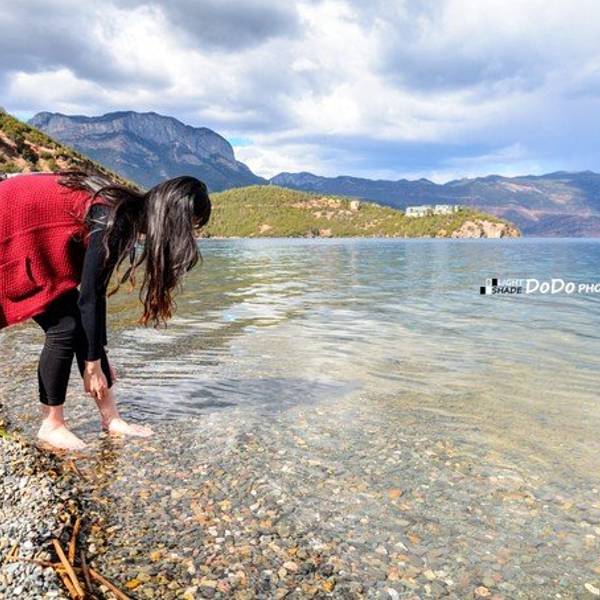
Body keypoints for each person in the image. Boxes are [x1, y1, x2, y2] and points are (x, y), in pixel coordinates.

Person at [0, 171, 211, 450]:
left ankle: (111, 419)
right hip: (11, 230)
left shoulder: (123, 211)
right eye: (189, 227)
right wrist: (93, 364)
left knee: (77, 325)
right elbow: (89, 296)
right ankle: (51, 425)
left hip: (26, 232)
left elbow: (93, 297)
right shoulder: (116, 218)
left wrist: (97, 355)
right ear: (173, 219)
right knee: (65, 327)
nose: (189, 237)